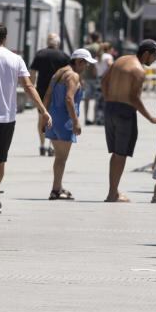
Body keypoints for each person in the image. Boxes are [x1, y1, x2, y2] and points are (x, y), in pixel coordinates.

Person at [0, 21, 51, 216]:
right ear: (5, 38)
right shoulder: (16, 59)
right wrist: (43, 109)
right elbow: (29, 86)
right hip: (7, 118)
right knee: (0, 160)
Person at [100, 38, 156, 202]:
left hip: (109, 108)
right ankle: (112, 194)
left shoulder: (121, 60)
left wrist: (108, 97)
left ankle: (113, 191)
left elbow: (103, 80)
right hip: (125, 112)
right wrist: (151, 118)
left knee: (116, 153)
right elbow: (133, 98)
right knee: (121, 154)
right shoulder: (139, 70)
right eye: (154, 55)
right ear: (146, 54)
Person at [41, 48, 95, 200]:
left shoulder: (59, 72)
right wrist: (76, 121)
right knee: (62, 158)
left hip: (53, 117)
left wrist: (44, 117)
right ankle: (55, 190)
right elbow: (69, 99)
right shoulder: (73, 76)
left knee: (59, 157)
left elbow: (47, 95)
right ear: (79, 62)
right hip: (65, 121)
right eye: (86, 64)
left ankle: (57, 187)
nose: (86, 67)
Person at [30, 33, 69, 157]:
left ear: (47, 42)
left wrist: (31, 89)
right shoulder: (64, 56)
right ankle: (52, 147)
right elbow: (68, 75)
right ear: (58, 43)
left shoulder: (40, 54)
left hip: (41, 90)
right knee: (55, 119)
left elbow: (33, 74)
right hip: (57, 91)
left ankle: (42, 146)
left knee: (41, 117)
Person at [81, 32, 102, 124]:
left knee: (87, 98)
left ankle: (86, 118)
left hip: (86, 75)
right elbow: (100, 60)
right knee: (97, 98)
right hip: (96, 75)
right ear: (98, 38)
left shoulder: (86, 48)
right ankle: (94, 119)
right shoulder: (99, 47)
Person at [94, 42, 114, 124]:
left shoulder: (97, 57)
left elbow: (94, 71)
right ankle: (106, 118)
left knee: (99, 100)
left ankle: (98, 119)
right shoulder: (108, 56)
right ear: (108, 49)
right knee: (107, 99)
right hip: (106, 79)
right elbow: (110, 65)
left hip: (98, 79)